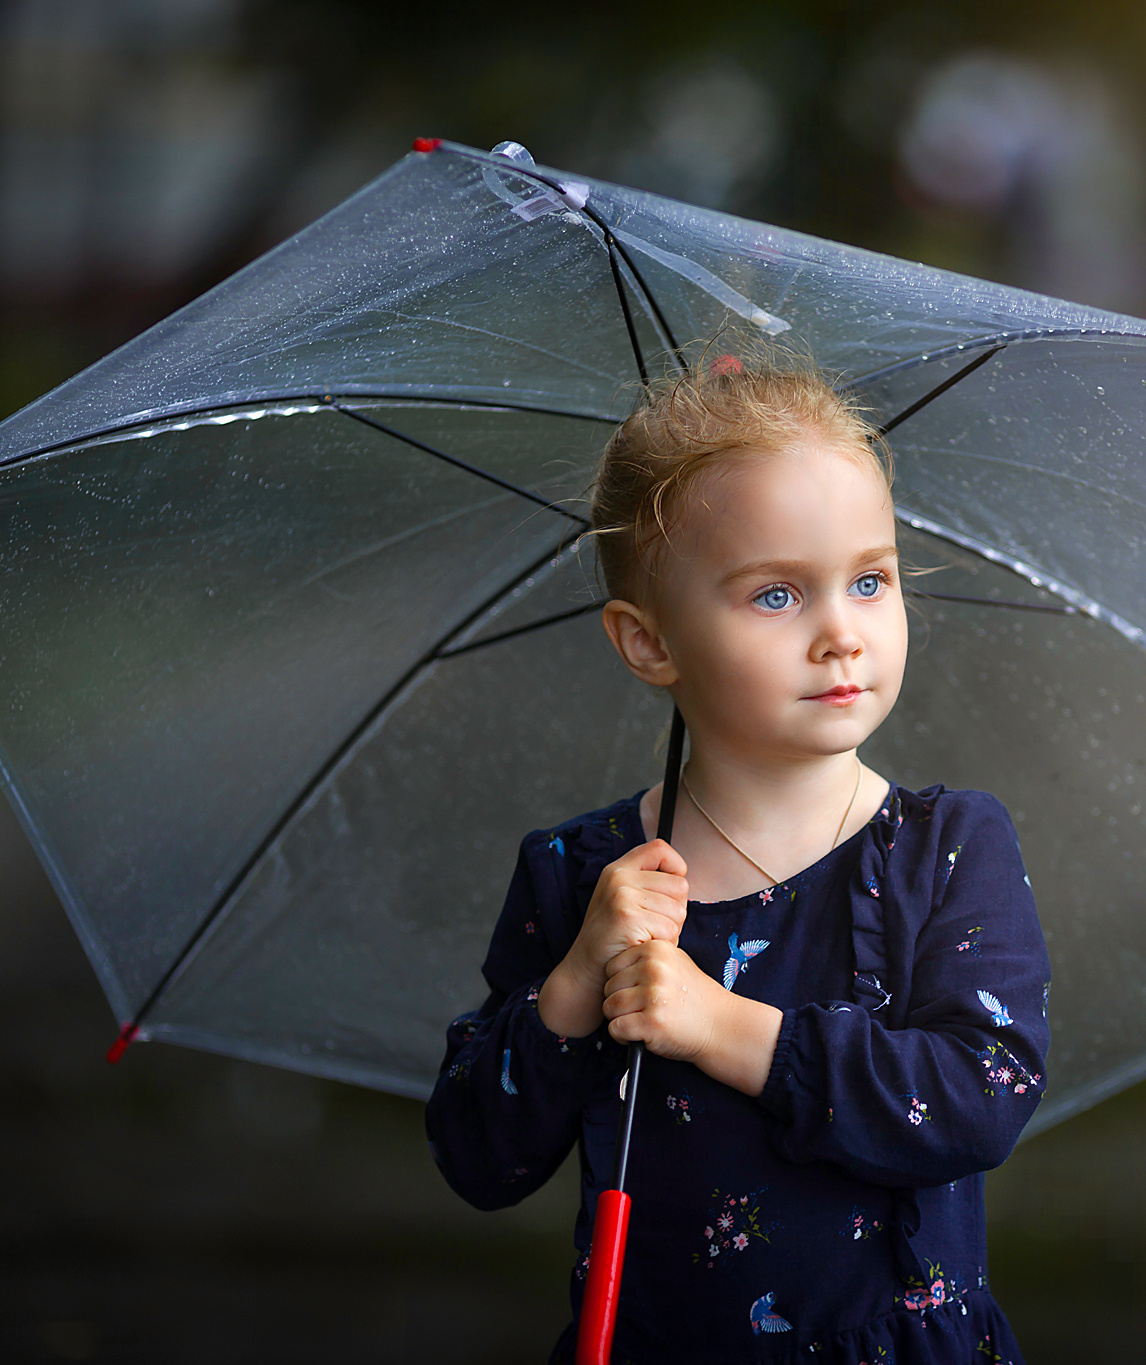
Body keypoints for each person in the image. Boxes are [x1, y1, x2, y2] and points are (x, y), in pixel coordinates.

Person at [425, 347, 1051, 1363]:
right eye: (775, 596)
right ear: (647, 643)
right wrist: (577, 983)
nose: (840, 634)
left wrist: (719, 1025)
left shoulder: (944, 850)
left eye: (868, 580)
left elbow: (975, 1100)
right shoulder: (585, 876)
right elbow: (476, 1157)